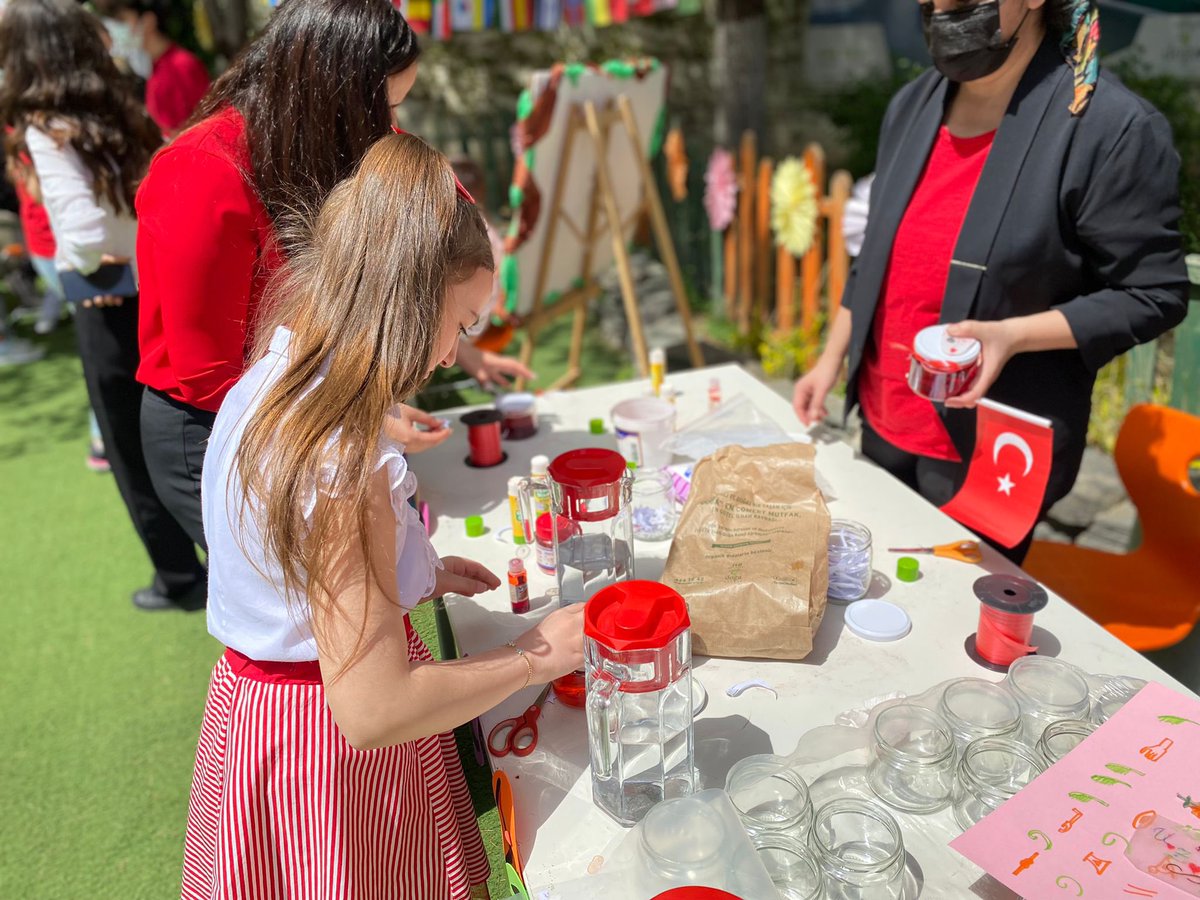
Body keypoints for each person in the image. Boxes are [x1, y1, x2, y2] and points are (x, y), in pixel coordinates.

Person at [182, 131, 585, 900]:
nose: (447, 355)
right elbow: (373, 710)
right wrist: (541, 652)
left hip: (267, 723)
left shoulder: (273, 375)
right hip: (330, 761)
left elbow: (293, 583)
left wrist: (411, 573)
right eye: (460, 325)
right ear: (410, 296)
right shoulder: (343, 463)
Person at [792, 0, 1188, 563]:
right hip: (883, 422)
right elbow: (877, 255)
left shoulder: (1109, 129)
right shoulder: (911, 106)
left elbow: (1154, 293)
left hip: (991, 452)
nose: (941, 7)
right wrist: (830, 360)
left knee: (952, 629)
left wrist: (1013, 336)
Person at [0, 0, 207, 607]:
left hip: (103, 299)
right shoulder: (117, 101)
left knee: (128, 450)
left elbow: (86, 237)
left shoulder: (44, 124)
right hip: (151, 288)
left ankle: (179, 578)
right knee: (176, 432)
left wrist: (89, 260)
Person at [92, 0, 210, 138]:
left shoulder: (180, 66)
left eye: (122, 20)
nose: (116, 29)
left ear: (149, 21)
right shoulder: (156, 69)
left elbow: (198, 127)